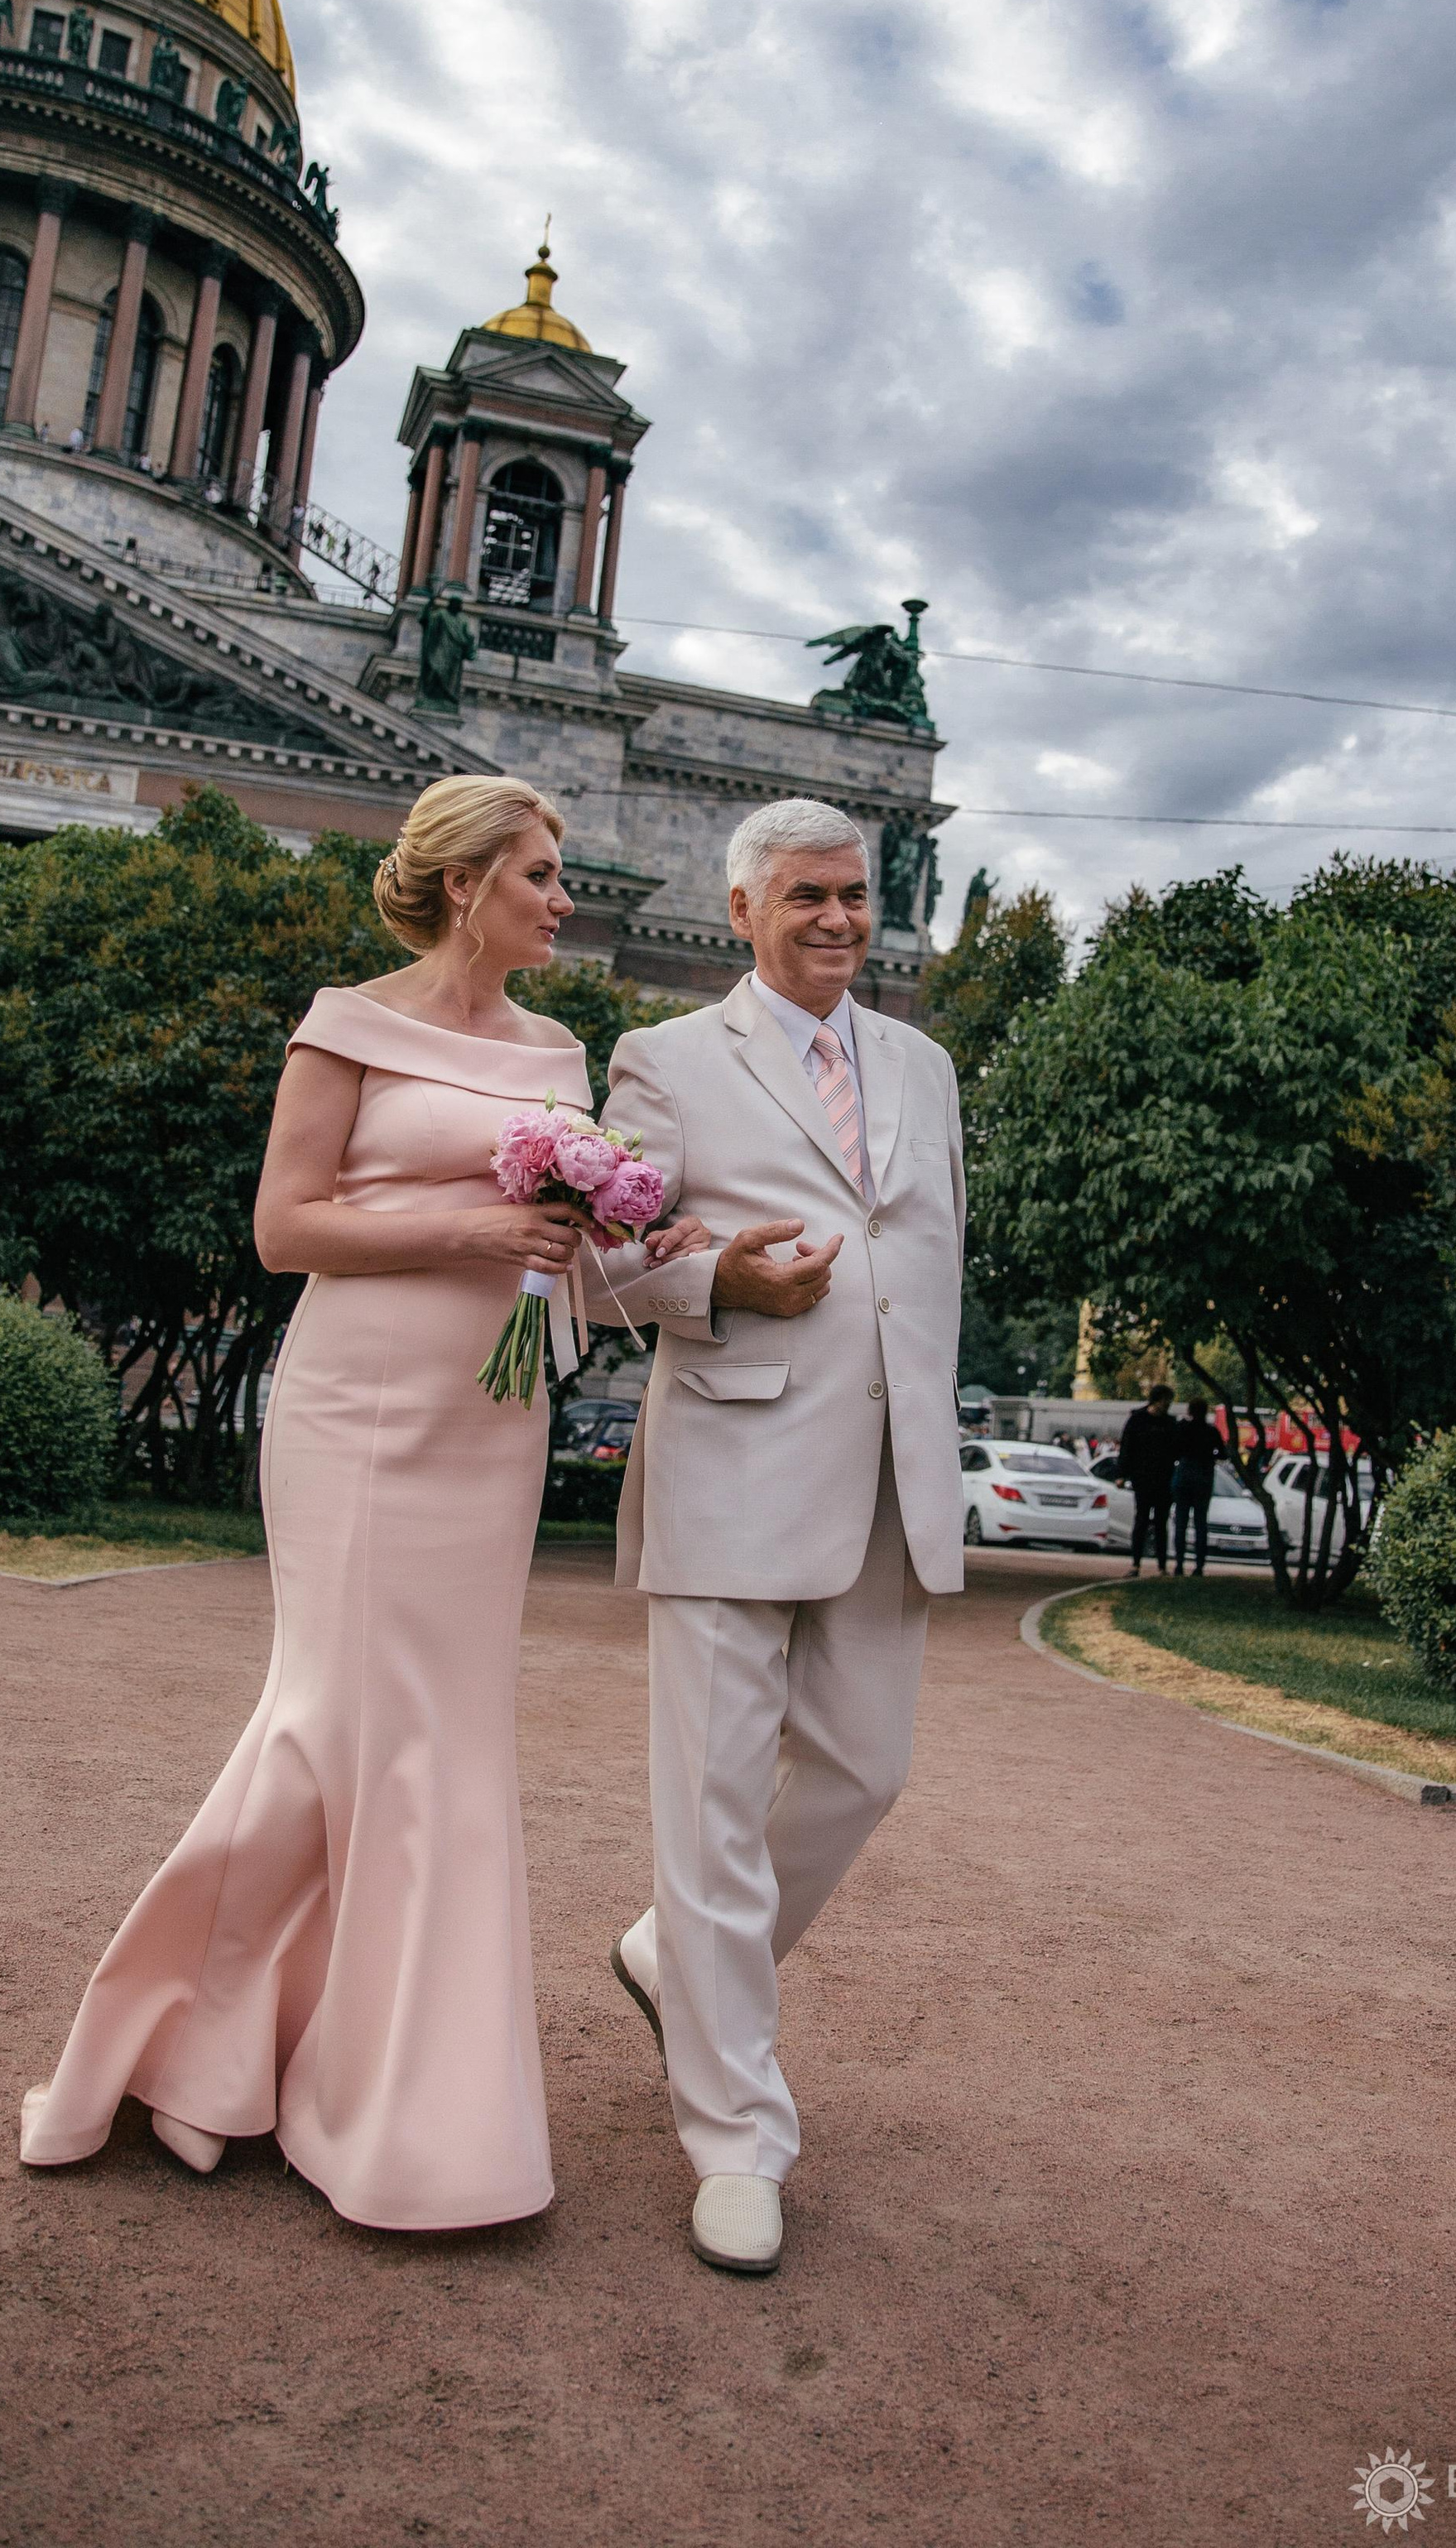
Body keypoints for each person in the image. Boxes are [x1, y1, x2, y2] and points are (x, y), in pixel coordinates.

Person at [17, 775, 708, 2228]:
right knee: (337, 1724)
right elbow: (285, 1227)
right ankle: (197, 2052)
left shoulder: (558, 1049)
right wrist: (468, 1215)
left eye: (560, 875)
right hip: (352, 1404)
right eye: (540, 873)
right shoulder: (345, 1022)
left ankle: (352, 2095)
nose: (563, 900)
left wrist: (662, 1245)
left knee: (441, 1738)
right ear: (466, 885)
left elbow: (560, 1261)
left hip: (492, 1413)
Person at [597, 796, 966, 2278]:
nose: (837, 919)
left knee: (868, 1772)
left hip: (893, 1478)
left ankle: (664, 1959)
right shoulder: (665, 1061)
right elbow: (601, 1263)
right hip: (733, 1467)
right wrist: (717, 1293)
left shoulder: (927, 1068)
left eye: (856, 896)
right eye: (807, 896)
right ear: (743, 910)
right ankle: (737, 2139)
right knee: (714, 1807)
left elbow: (917, 1262)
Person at [1117, 1381, 1178, 1574]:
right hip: (1143, 1477)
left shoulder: (1169, 1423)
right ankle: (1136, 1563)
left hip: (1163, 1478)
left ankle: (1161, 1566)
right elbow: (1127, 1448)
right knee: (1142, 1520)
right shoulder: (1138, 1420)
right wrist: (1121, 1474)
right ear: (1157, 1400)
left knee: (1161, 1522)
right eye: (1166, 1401)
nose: (1168, 1406)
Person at [1168, 1395, 1223, 1576]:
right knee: (1201, 1523)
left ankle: (1179, 1563)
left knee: (1181, 1522)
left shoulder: (1182, 1428)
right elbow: (1223, 1453)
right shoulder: (1211, 1431)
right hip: (1204, 1478)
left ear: (1190, 1410)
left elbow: (1174, 1450)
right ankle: (1199, 1565)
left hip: (1184, 1476)